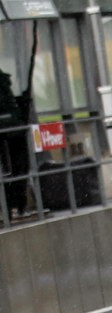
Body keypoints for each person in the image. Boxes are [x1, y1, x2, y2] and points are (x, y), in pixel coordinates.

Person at [0, 68, 29, 217]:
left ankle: (12, 205)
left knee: (13, 170)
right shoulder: (4, 81)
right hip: (14, 131)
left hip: (10, 132)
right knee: (17, 169)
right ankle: (16, 204)